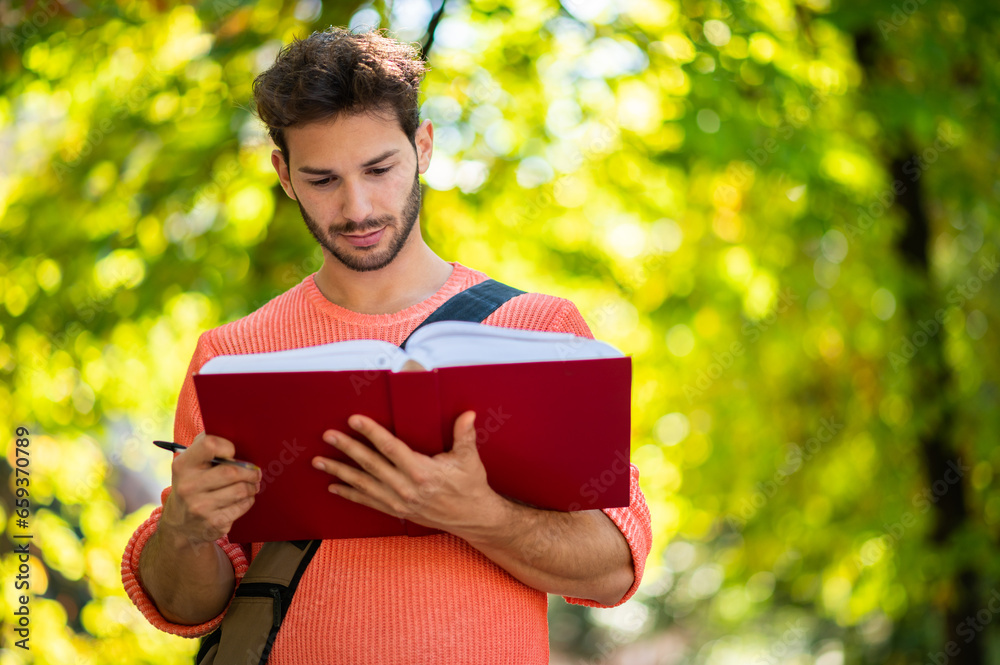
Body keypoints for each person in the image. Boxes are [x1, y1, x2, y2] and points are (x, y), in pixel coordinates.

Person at [121, 27, 652, 664]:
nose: (358, 207)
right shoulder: (233, 355)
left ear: (422, 147)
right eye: (322, 180)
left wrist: (478, 513)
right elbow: (188, 608)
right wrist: (184, 530)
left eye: (380, 169)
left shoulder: (535, 329)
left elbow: (614, 567)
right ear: (284, 175)